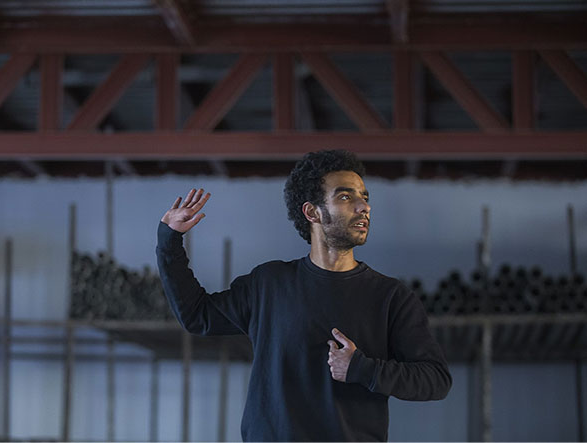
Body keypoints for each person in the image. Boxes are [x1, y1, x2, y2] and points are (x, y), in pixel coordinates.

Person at [156, 149, 452, 441]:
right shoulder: (269, 284)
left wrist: (363, 369)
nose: (364, 207)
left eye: (365, 197)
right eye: (346, 197)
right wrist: (169, 240)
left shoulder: (391, 297)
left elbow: (436, 381)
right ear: (312, 212)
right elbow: (197, 316)